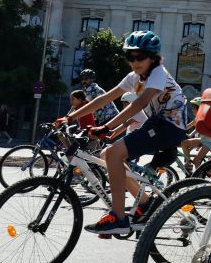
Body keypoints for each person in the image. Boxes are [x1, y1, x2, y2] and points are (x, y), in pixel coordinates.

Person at [65, 30, 187, 234]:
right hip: (156, 124)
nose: (135, 62)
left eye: (141, 57)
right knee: (107, 155)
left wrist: (107, 127)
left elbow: (140, 102)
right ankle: (146, 203)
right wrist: (70, 117)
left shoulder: (158, 73)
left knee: (113, 153)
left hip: (169, 127)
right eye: (130, 57)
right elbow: (103, 99)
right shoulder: (134, 77)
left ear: (154, 58)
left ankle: (119, 218)